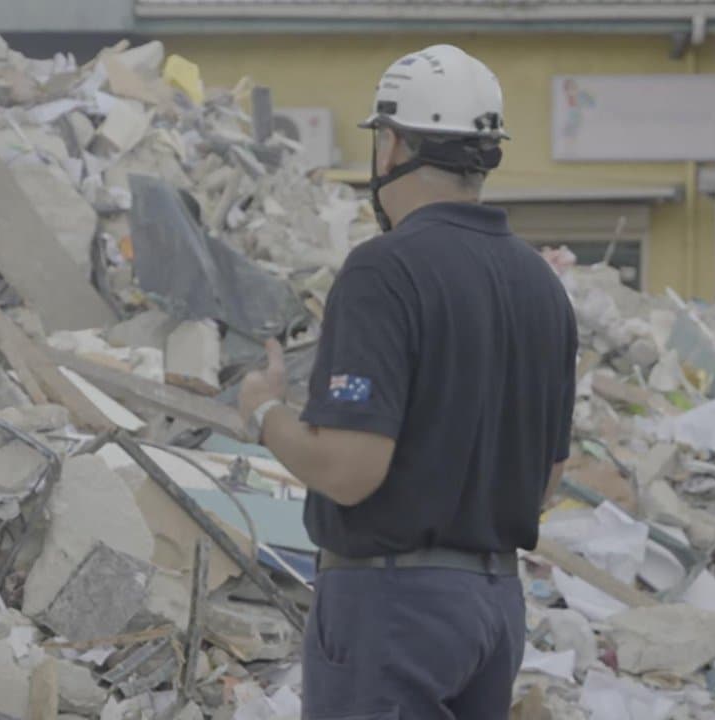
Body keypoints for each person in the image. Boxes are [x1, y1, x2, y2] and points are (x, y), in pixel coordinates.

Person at [237, 44, 578, 719]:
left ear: (391, 145)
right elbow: (547, 479)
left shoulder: (382, 272)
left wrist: (265, 411)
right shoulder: (542, 286)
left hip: (392, 608)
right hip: (495, 607)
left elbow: (349, 467)